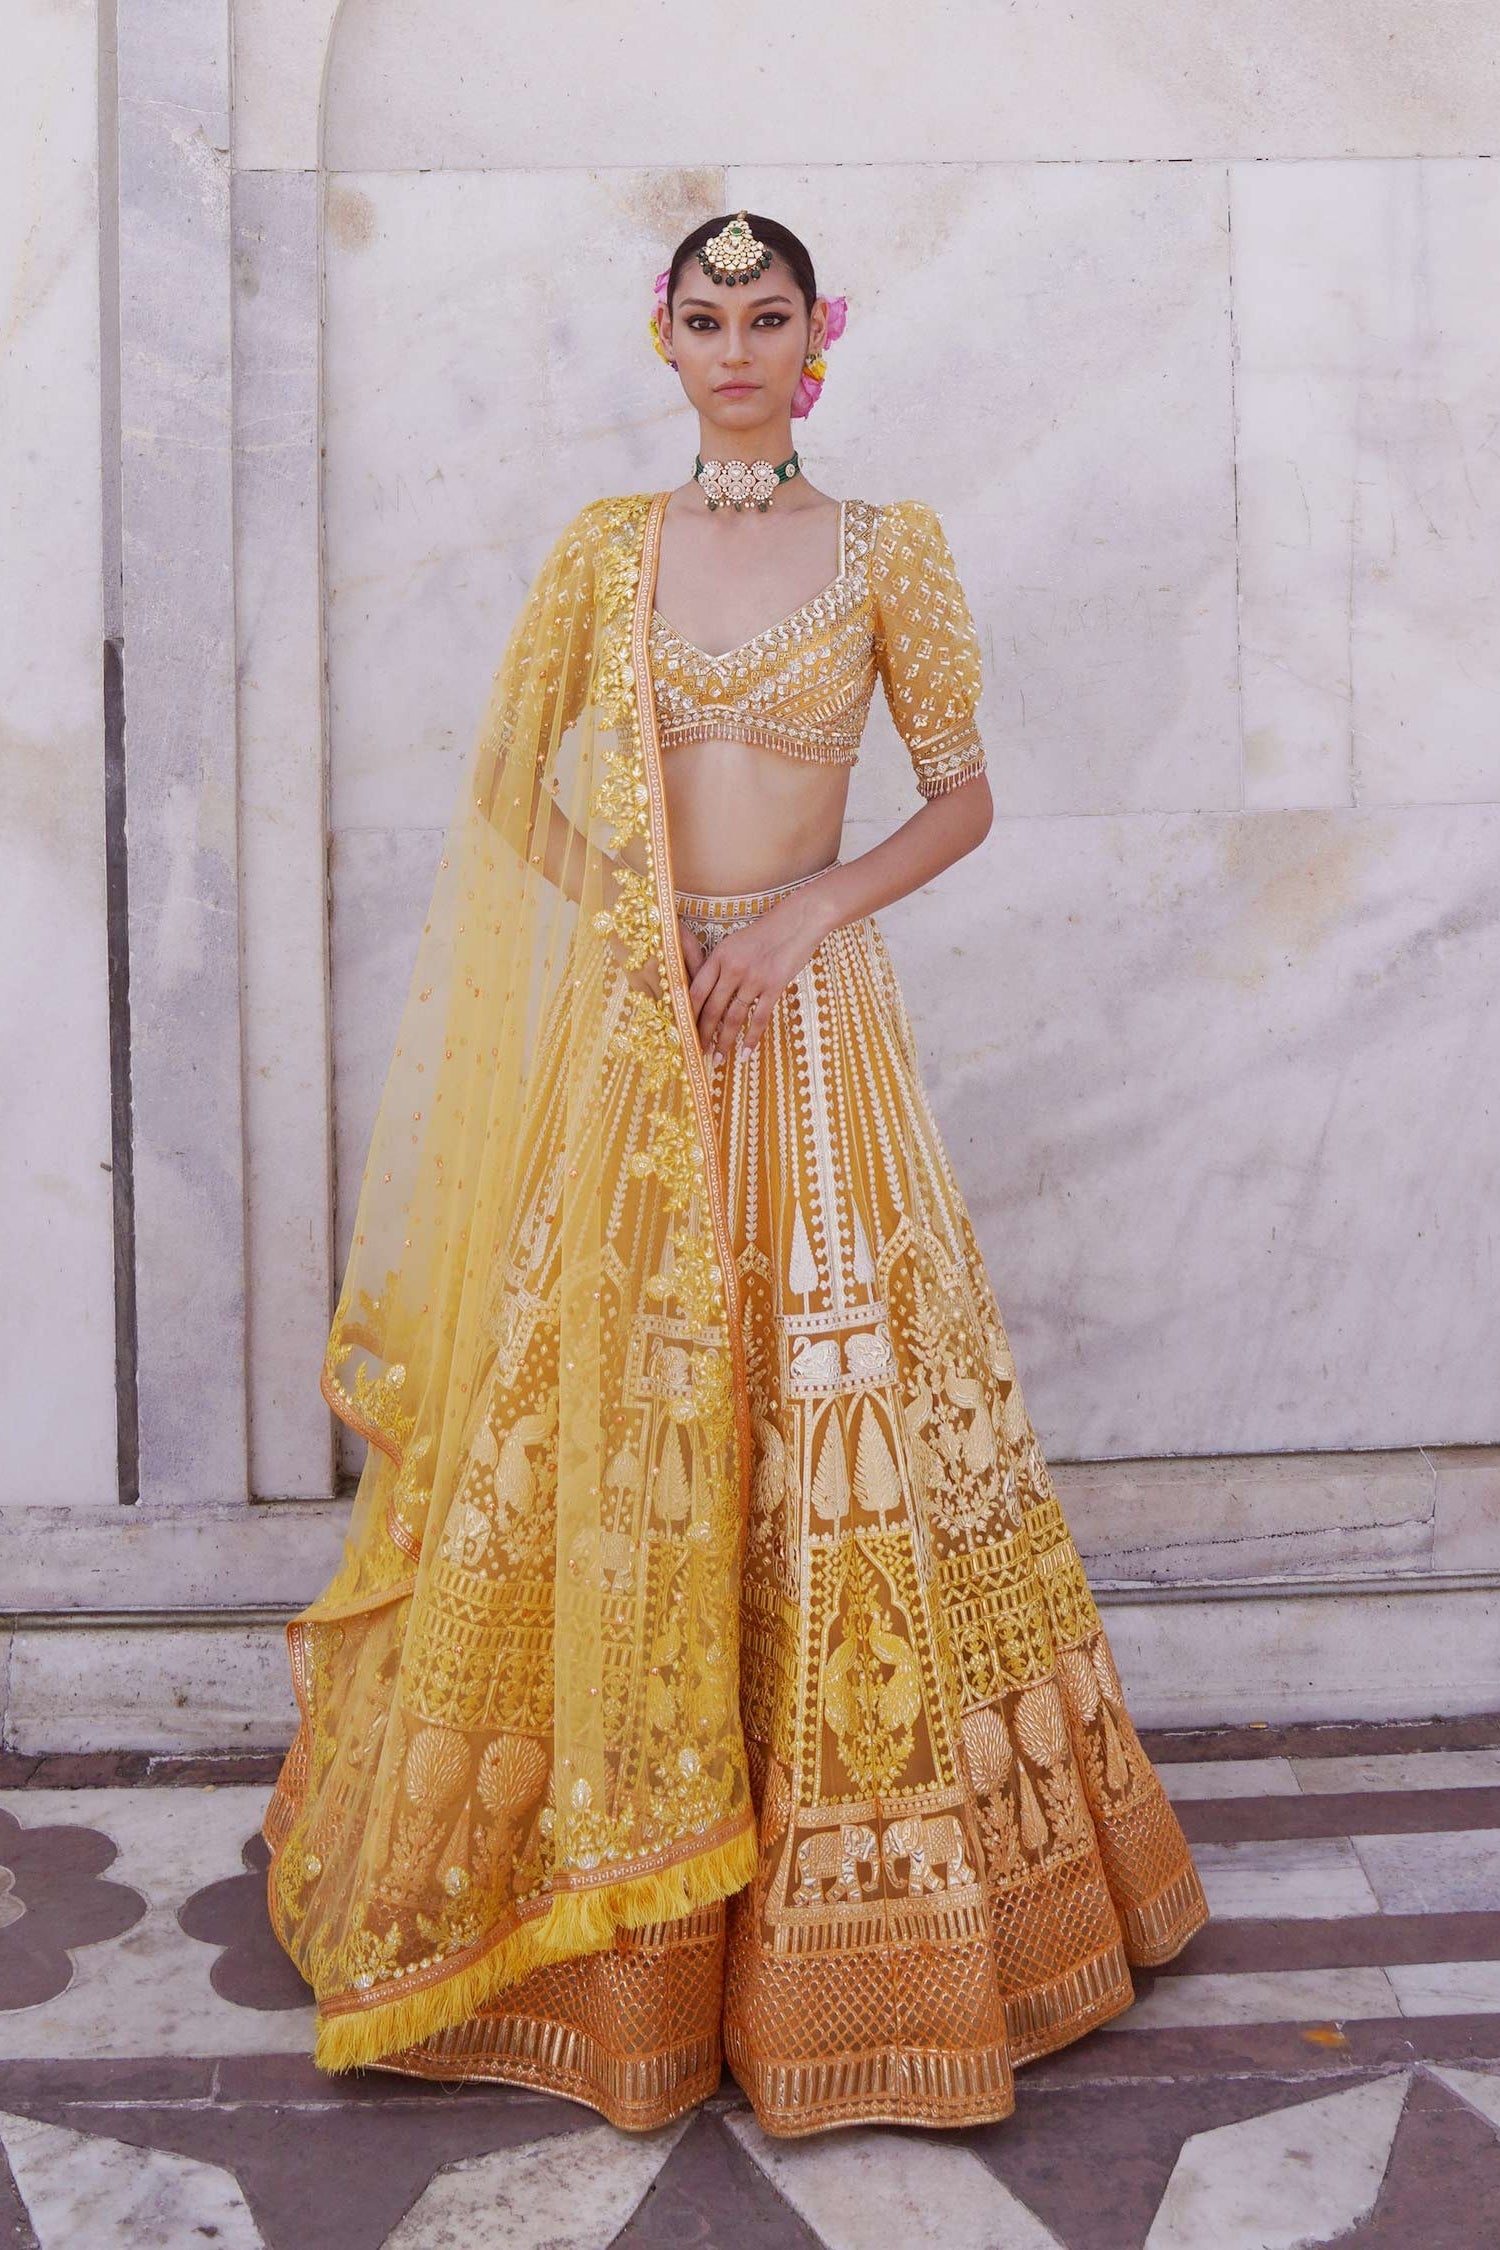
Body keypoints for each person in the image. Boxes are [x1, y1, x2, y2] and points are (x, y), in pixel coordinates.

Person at [264, 210, 1208, 2138]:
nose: (737, 348)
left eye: (768, 317)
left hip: (814, 1031)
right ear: (667, 339)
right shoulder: (605, 550)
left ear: (814, 337)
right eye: (706, 318)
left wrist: (802, 918)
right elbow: (512, 784)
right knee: (613, 1419)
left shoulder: (886, 548)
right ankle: (611, 1927)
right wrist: (639, 920)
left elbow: (963, 792)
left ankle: (871, 1932)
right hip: (641, 1042)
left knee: (838, 1428)